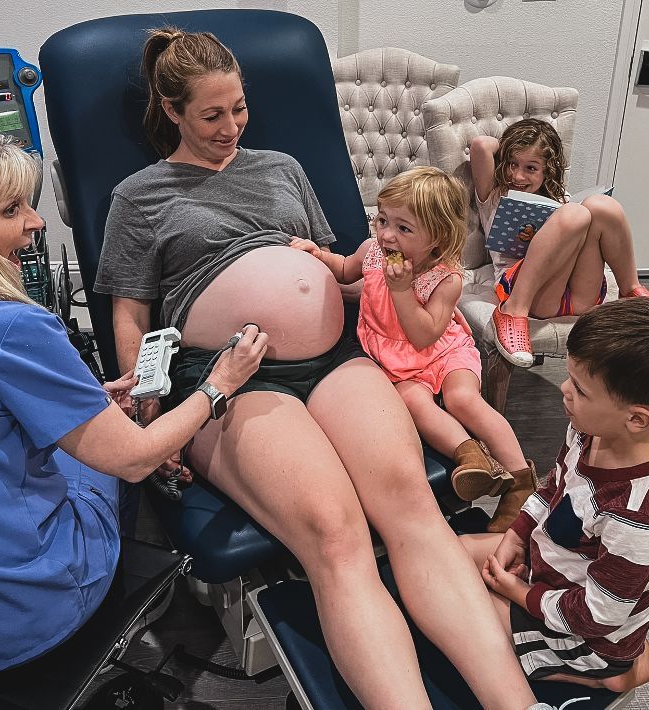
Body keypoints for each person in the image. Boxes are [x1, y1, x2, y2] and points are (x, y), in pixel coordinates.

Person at [94, 27, 546, 709]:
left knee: (415, 514)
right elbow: (129, 313)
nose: (230, 127)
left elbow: (333, 267)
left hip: (338, 359)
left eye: (239, 108)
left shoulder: (280, 168)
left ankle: (519, 705)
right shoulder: (141, 195)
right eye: (212, 114)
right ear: (171, 108)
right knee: (336, 539)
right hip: (230, 376)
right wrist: (148, 404)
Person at [0, 127, 267, 681]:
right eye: (12, 210)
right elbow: (133, 457)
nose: (36, 223)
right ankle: (128, 597)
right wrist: (220, 384)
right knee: (123, 461)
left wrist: (79, 404)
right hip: (14, 615)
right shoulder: (12, 327)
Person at [460, 297, 649, 692]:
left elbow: (598, 614)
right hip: (550, 573)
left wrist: (522, 595)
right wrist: (516, 533)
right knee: (446, 556)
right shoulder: (589, 428)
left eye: (579, 388)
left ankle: (609, 676)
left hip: (589, 635)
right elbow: (555, 485)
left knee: (467, 627)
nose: (563, 389)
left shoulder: (641, 519)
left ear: (636, 418)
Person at [291, 167, 537, 532]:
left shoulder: (446, 279)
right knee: (415, 404)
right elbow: (344, 270)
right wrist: (317, 255)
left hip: (445, 351)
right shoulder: (373, 251)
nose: (387, 235)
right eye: (382, 220)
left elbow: (425, 335)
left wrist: (402, 290)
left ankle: (519, 482)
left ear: (436, 239)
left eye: (404, 229)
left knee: (463, 400)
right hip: (396, 360)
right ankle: (471, 457)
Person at [470, 118, 649, 368]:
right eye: (512, 164)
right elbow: (481, 146)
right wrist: (519, 142)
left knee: (601, 206)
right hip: (530, 295)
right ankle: (512, 311)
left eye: (531, 168)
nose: (518, 175)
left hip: (578, 296)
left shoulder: (558, 198)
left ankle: (630, 290)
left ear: (549, 170)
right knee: (575, 214)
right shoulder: (494, 193)